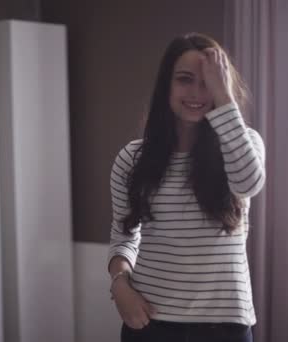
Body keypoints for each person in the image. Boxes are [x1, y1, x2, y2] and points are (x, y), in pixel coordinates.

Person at [107, 32, 266, 342]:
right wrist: (119, 282)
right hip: (149, 322)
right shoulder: (132, 158)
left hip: (225, 327)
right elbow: (124, 234)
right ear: (166, 85)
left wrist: (224, 98)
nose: (197, 92)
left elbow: (249, 182)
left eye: (208, 81)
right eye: (184, 79)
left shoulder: (244, 144)